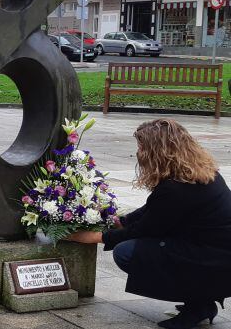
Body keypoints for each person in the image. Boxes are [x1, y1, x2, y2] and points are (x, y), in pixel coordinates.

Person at [67, 119, 231, 329]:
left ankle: (199, 304)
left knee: (128, 253)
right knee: (149, 247)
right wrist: (119, 221)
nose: (139, 152)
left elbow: (147, 229)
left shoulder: (176, 189)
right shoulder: (200, 172)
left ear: (156, 152)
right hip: (216, 252)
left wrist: (96, 237)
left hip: (218, 263)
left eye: (142, 147)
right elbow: (153, 211)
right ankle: (201, 300)